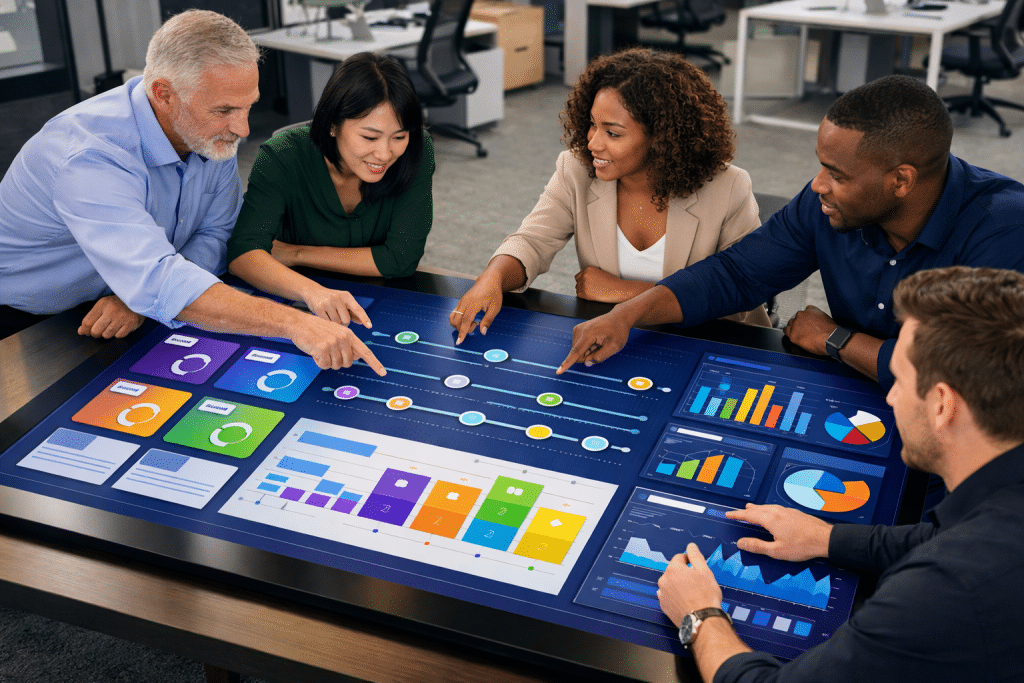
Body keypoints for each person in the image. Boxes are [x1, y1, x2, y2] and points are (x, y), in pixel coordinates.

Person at [656, 265, 1024, 683]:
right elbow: (940, 536)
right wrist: (825, 538)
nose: (890, 396)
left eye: (900, 380)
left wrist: (699, 615)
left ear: (942, 405)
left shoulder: (943, 592)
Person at [556, 75, 1024, 389]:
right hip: (858, 391)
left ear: (900, 180)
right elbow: (736, 276)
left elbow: (962, 374)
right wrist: (629, 314)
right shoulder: (825, 204)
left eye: (837, 174)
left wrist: (836, 340)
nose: (818, 186)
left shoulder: (1005, 231)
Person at [0, 10, 383, 374]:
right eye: (224, 110)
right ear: (164, 93)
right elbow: (155, 279)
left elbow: (216, 235)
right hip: (29, 321)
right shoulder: (89, 154)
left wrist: (138, 297)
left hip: (119, 306)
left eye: (249, 106)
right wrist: (298, 325)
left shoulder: (206, 133)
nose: (243, 128)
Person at [450, 48, 769, 344]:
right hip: (618, 338)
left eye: (612, 133)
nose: (592, 143)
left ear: (662, 137)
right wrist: (492, 277)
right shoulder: (576, 169)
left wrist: (627, 292)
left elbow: (739, 297)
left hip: (720, 346)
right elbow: (532, 241)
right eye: (592, 125)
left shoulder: (728, 187)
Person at [227, 52, 434, 327]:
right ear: (333, 124)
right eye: (369, 137)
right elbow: (243, 253)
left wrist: (294, 253)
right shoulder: (282, 156)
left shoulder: (418, 150)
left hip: (378, 298)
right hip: (291, 293)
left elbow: (400, 259)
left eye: (399, 136)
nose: (385, 154)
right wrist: (311, 292)